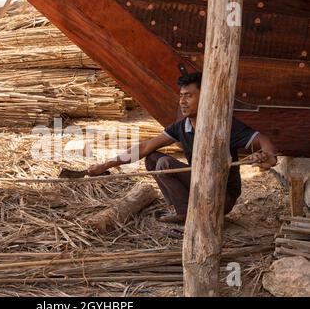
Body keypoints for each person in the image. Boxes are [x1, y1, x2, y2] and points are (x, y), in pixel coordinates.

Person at [88, 72, 278, 224]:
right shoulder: (182, 126)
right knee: (152, 158)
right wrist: (106, 165)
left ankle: (186, 214)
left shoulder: (223, 126)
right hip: (200, 189)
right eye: (181, 96)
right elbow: (146, 146)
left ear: (204, 97)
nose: (182, 101)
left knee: (164, 163)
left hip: (221, 197)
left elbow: (262, 139)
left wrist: (268, 155)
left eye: (188, 96)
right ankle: (186, 208)